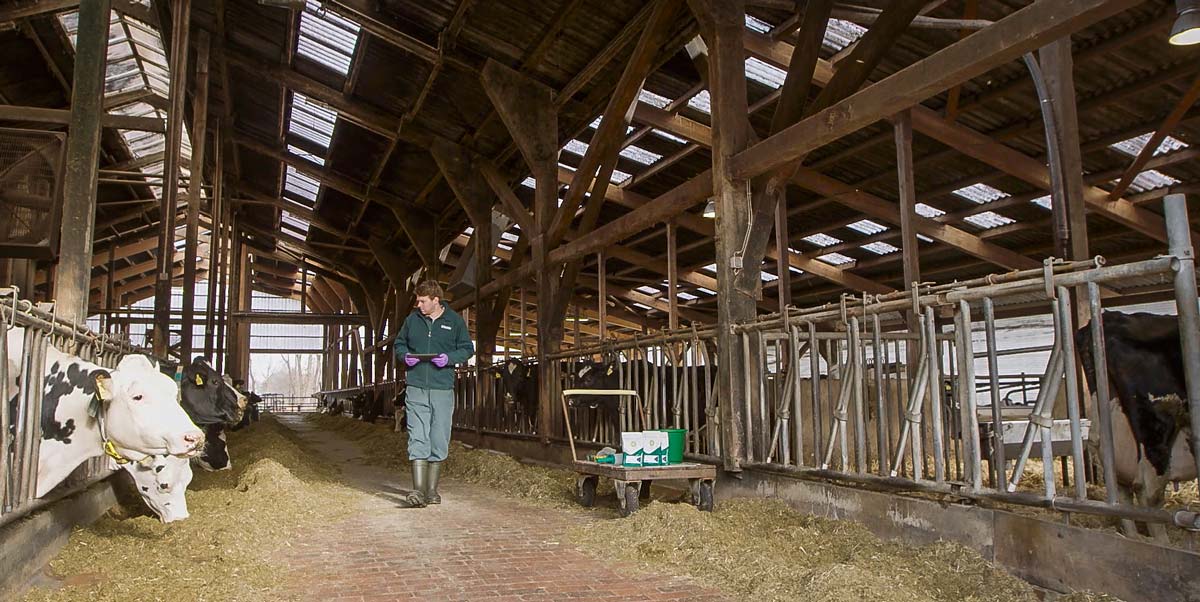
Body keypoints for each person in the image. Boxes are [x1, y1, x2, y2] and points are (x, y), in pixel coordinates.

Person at [393, 280, 474, 507]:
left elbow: (467, 349)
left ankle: (431, 490)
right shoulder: (412, 321)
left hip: (442, 387)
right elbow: (399, 344)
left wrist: (449, 358)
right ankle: (417, 492)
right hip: (416, 386)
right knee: (418, 435)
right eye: (418, 300)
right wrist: (404, 355)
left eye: (422, 301)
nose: (418, 305)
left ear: (435, 300)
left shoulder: (454, 321)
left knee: (439, 437)